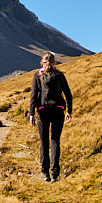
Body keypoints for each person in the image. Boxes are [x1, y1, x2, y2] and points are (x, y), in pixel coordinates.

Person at [29, 52, 73, 182]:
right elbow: (68, 94)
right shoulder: (59, 75)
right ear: (54, 62)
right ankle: (55, 173)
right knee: (55, 141)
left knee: (44, 142)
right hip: (58, 111)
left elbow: (33, 95)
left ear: (42, 62)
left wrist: (31, 113)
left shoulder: (37, 75)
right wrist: (69, 111)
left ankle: (45, 173)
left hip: (43, 112)